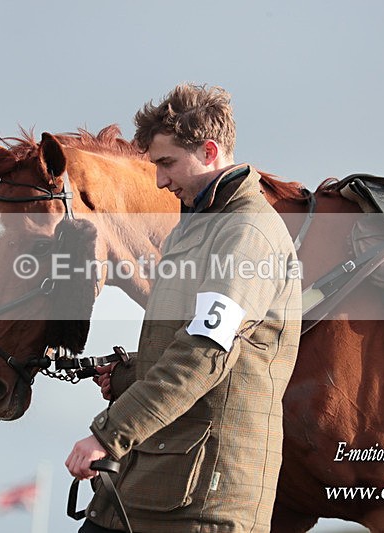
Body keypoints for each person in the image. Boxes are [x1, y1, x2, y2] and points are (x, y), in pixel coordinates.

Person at [65, 83, 301, 532]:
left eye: (167, 163)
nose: (159, 180)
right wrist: (131, 373)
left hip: (202, 503)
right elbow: (196, 342)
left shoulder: (247, 234)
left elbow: (204, 352)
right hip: (150, 483)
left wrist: (108, 434)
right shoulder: (191, 229)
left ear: (210, 150)